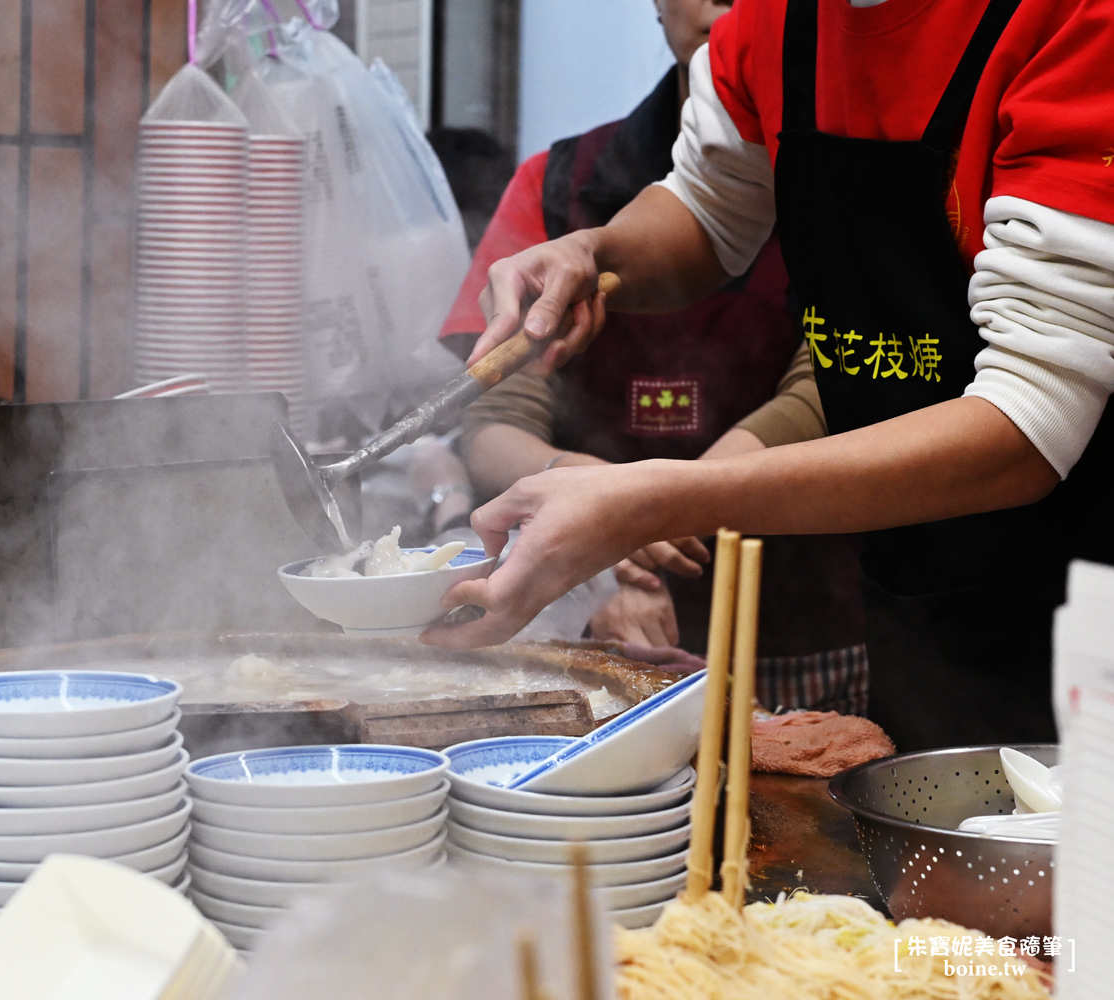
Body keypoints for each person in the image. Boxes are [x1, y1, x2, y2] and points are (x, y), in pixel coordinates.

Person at [422, 0, 1114, 751]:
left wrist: (649, 500)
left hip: (1091, 589)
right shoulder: (769, 22)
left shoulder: (1074, 21)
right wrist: (595, 254)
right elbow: (710, 207)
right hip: (920, 586)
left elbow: (1029, 421)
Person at [440, 0, 868, 713]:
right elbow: (493, 418)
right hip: (598, 619)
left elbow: (835, 385)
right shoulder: (557, 185)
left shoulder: (844, 183)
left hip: (803, 622)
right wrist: (600, 517)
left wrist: (641, 505)